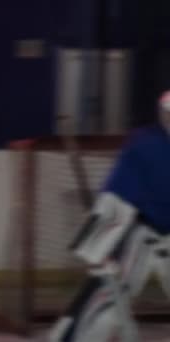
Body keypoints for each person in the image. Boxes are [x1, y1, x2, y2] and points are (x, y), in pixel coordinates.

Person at [49, 90, 170, 341]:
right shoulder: (145, 146)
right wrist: (97, 248)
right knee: (102, 304)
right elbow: (116, 197)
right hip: (142, 235)